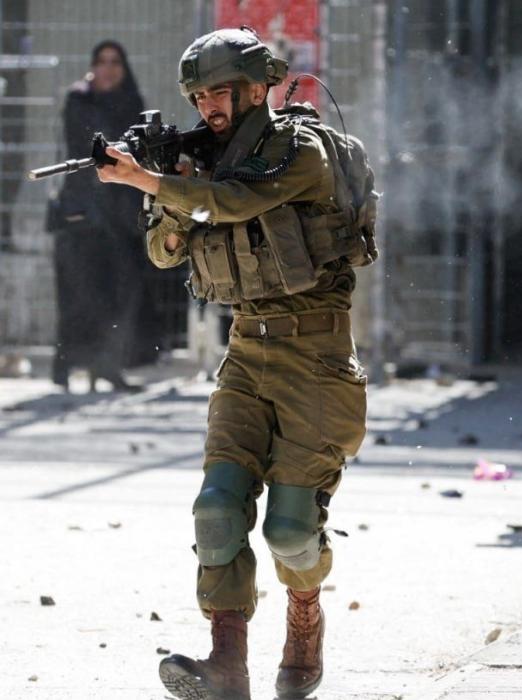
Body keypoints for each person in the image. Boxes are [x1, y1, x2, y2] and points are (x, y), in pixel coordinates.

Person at [96, 28, 372, 700]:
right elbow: (163, 252)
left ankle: (304, 618)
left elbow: (240, 201)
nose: (207, 106)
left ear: (255, 89)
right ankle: (227, 665)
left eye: (218, 92)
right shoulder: (200, 164)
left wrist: (157, 181)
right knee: (217, 509)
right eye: (198, 96)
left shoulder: (300, 150)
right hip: (247, 348)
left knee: (290, 530)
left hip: (316, 357)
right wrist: (168, 193)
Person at [50, 40, 147, 392]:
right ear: (92, 66)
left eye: (115, 62)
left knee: (119, 293)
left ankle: (108, 366)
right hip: (84, 214)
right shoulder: (79, 99)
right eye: (102, 61)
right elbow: (92, 146)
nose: (108, 68)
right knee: (81, 293)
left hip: (121, 216)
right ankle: (67, 366)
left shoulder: (132, 102)